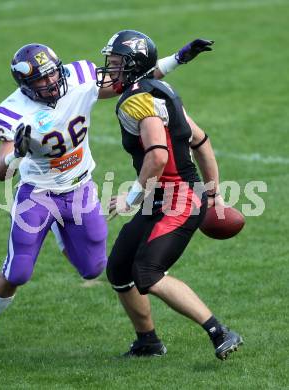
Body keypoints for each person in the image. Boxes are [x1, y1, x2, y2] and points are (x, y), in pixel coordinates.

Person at [0, 38, 214, 353]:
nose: (50, 82)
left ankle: (61, 231)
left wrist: (178, 58)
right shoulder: (11, 111)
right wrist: (16, 153)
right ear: (25, 84)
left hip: (80, 188)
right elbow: (2, 172)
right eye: (40, 79)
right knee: (18, 271)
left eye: (52, 73)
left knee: (93, 269)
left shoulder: (80, 76)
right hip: (37, 193)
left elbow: (133, 78)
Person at [96, 30, 243, 360]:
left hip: (175, 200)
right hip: (167, 197)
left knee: (146, 273)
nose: (110, 70)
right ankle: (148, 342)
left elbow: (159, 156)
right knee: (119, 268)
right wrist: (213, 193)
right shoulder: (163, 92)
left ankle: (220, 331)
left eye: (117, 63)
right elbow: (201, 141)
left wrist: (130, 198)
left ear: (133, 67)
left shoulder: (135, 102)